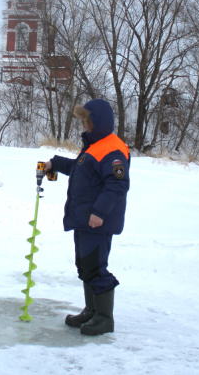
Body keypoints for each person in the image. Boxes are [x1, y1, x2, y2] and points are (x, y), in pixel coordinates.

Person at [44, 99, 130, 336]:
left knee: (96, 267)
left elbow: (117, 185)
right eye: (83, 120)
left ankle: (104, 318)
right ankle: (91, 310)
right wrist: (55, 163)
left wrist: (99, 213)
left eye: (87, 120)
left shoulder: (113, 149)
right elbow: (79, 168)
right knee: (84, 265)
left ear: (98, 122)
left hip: (97, 222)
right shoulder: (93, 146)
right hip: (84, 220)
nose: (84, 125)